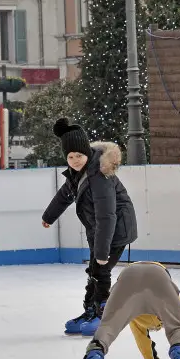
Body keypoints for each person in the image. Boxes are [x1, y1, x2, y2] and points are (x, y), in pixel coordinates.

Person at [42, 119, 137, 336]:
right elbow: (64, 195)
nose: (75, 161)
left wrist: (102, 252)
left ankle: (102, 314)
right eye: (70, 157)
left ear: (87, 154)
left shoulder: (100, 176)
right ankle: (90, 311)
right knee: (93, 271)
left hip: (116, 230)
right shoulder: (79, 174)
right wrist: (49, 216)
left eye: (79, 156)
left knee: (100, 270)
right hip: (98, 229)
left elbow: (107, 216)